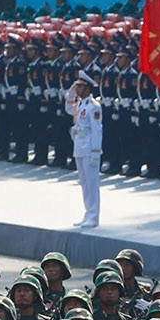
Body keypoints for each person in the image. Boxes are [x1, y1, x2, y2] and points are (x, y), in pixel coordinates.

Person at [69, 74, 103, 228]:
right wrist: (71, 92)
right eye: (77, 86)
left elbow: (97, 131)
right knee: (83, 182)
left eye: (80, 86)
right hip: (79, 146)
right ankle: (87, 212)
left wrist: (96, 152)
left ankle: (94, 215)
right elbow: (68, 107)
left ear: (87, 88)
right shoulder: (80, 104)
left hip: (89, 148)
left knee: (91, 182)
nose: (77, 89)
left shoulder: (94, 106)